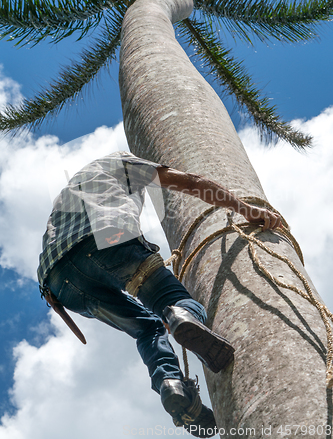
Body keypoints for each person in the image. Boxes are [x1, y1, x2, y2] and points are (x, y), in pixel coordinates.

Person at [38, 151, 280, 437]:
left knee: (147, 330)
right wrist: (246, 210)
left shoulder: (68, 195)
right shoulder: (121, 162)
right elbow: (191, 183)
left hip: (58, 283)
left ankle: (172, 386)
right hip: (109, 239)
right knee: (175, 302)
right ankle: (180, 314)